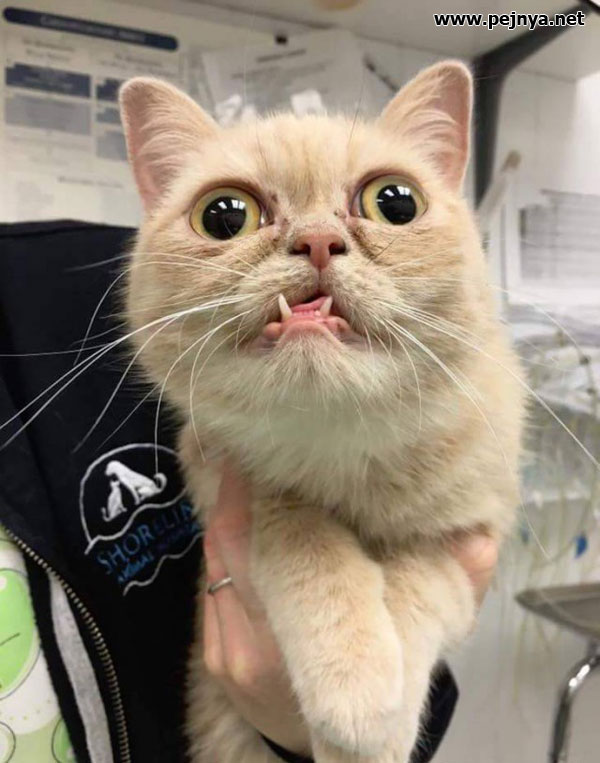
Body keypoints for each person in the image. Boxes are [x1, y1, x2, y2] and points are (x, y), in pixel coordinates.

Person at [0, 220, 498, 763]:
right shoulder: (163, 287)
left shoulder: (61, 276)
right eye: (228, 214)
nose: (317, 236)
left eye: (392, 205)